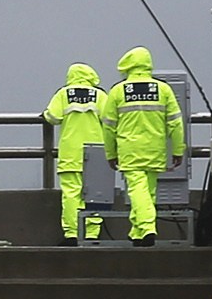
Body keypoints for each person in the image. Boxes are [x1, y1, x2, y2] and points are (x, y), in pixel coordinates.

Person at [98, 47, 185, 247]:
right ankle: (137, 232)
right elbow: (175, 123)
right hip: (155, 149)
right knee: (149, 191)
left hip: (129, 149)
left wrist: (110, 153)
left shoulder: (118, 91)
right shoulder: (163, 89)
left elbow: (109, 127)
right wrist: (178, 150)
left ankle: (147, 229)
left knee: (137, 189)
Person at [42, 62, 105, 245]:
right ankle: (92, 234)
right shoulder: (99, 95)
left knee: (71, 194)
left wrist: (45, 114)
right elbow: (110, 119)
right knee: (95, 194)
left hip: (71, 152)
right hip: (96, 151)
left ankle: (72, 234)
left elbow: (52, 117)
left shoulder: (64, 94)